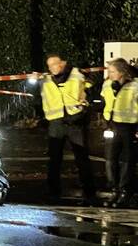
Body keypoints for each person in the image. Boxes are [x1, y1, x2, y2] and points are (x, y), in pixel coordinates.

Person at [39, 54, 97, 205]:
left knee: (82, 158)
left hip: (75, 121)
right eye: (49, 66)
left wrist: (83, 111)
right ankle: (53, 193)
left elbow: (90, 94)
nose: (52, 68)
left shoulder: (78, 75)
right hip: (56, 121)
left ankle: (89, 193)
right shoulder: (45, 80)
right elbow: (39, 98)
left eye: (54, 64)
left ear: (62, 63)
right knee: (54, 160)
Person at [100, 58, 138, 207]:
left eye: (112, 71)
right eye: (109, 71)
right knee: (110, 160)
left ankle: (125, 192)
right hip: (112, 126)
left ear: (122, 72)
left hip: (129, 127)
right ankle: (114, 190)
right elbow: (103, 103)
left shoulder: (135, 87)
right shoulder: (107, 85)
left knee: (127, 161)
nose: (109, 74)